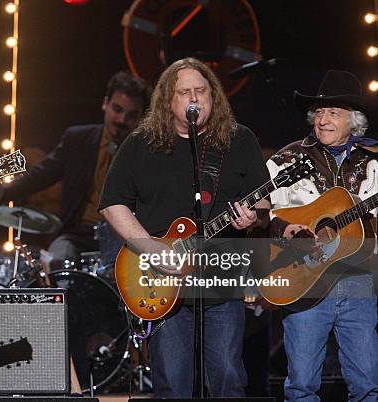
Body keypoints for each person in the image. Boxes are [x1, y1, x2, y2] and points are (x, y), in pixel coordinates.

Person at [99, 57, 272, 397]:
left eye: (201, 91)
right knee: (172, 383)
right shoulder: (141, 143)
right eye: (185, 92)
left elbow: (263, 204)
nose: (194, 99)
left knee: (227, 379)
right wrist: (150, 247)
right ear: (168, 100)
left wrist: (254, 219)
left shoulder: (239, 140)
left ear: (214, 96)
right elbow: (112, 203)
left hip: (222, 281)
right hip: (163, 284)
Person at [266, 70, 377, 401]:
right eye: (319, 112)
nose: (322, 120)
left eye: (333, 112)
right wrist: (286, 229)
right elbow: (266, 213)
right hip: (305, 280)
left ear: (354, 121)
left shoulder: (374, 162)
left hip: (359, 280)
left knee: (368, 384)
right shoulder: (287, 159)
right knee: (301, 387)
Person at [0, 71, 151, 268]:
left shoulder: (146, 150)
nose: (121, 119)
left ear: (141, 118)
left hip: (123, 239)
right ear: (105, 103)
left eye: (131, 115)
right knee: (55, 262)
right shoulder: (78, 139)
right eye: (117, 109)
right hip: (76, 234)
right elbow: (41, 175)